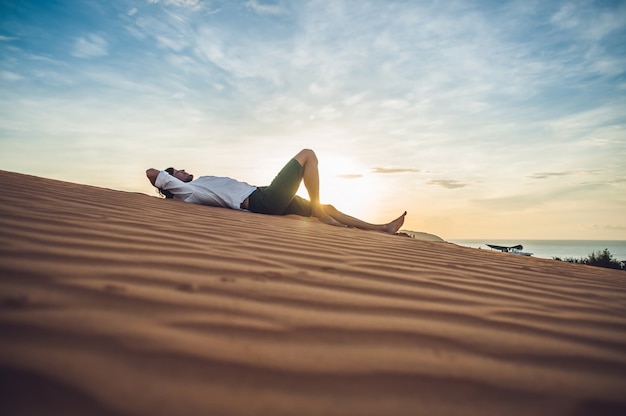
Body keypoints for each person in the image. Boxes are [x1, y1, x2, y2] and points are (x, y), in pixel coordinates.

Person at [146, 149, 406, 234]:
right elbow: (151, 173)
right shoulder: (185, 192)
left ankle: (381, 229)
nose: (182, 170)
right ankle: (316, 208)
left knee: (329, 209)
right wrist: (169, 178)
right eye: (176, 171)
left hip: (263, 194)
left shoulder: (198, 182)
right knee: (307, 155)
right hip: (262, 201)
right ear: (170, 181)